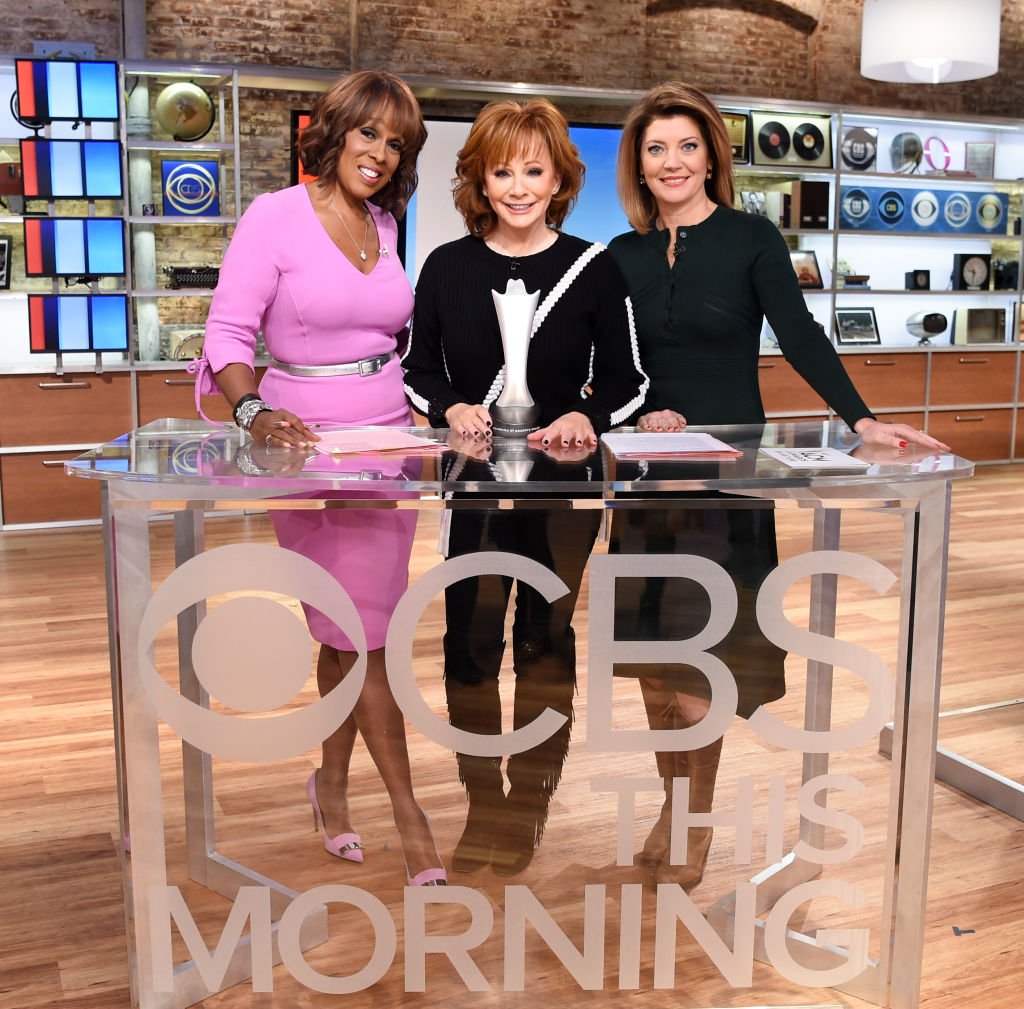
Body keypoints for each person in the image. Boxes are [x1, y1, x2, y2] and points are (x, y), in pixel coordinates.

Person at [607, 81, 948, 891]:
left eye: (687, 146)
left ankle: (692, 821)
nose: (672, 161)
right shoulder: (619, 255)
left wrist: (862, 418)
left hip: (730, 482)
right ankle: (671, 805)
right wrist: (629, 411)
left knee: (702, 664)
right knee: (652, 665)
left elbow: (799, 333)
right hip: (648, 481)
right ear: (639, 164)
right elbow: (607, 365)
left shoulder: (752, 238)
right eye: (656, 148)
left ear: (710, 157)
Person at [203, 70, 447, 886]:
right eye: (368, 133)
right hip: (306, 444)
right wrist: (252, 413)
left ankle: (332, 787)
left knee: (352, 631)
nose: (380, 153)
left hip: (388, 440)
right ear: (335, 132)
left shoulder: (386, 222)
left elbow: (391, 336)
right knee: (363, 635)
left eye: (396, 142)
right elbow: (228, 333)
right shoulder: (274, 216)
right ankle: (411, 819)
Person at [402, 98, 648, 875]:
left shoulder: (594, 266)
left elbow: (629, 379)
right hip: (472, 487)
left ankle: (530, 800)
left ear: (559, 180)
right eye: (501, 171)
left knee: (545, 639)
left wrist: (587, 414)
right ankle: (484, 802)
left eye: (533, 171)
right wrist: (450, 405)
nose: (517, 187)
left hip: (563, 490)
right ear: (479, 180)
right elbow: (418, 367)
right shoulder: (447, 266)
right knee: (470, 642)